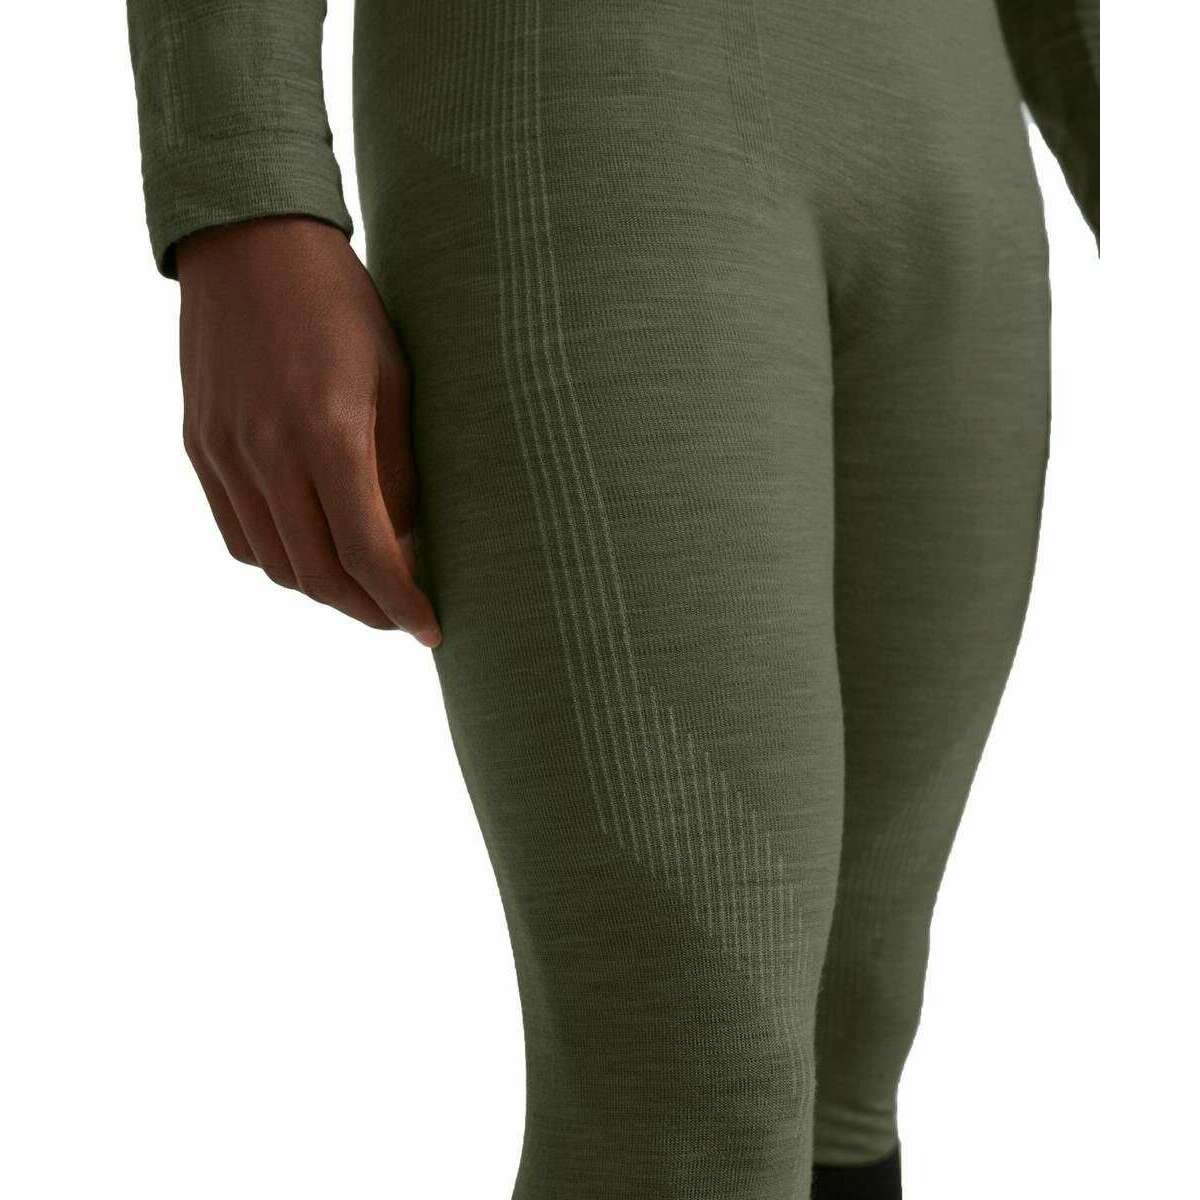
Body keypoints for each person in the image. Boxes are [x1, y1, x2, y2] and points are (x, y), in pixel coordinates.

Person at [126, 2, 1098, 1197]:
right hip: (580, 91)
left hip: (957, 124)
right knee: (690, 1064)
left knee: (855, 1031)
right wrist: (242, 189)